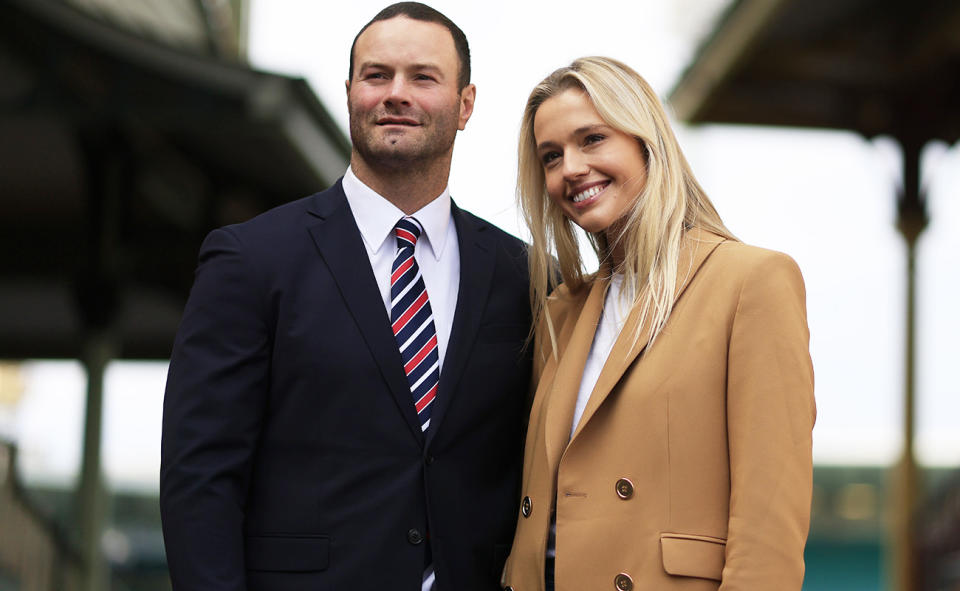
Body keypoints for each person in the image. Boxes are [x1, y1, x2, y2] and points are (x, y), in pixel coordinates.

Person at [159, 4, 532, 590]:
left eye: (423, 77)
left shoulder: (525, 276)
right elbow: (200, 476)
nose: (396, 94)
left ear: (465, 105)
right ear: (351, 93)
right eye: (376, 75)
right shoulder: (250, 260)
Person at [500, 57, 816, 591]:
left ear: (647, 143)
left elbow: (769, 527)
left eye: (592, 139)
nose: (570, 168)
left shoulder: (750, 281)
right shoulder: (563, 308)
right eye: (550, 156)